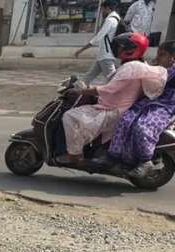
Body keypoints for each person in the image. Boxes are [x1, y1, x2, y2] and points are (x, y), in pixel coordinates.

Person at [61, 32, 165, 165]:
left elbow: (109, 89)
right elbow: (114, 85)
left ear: (131, 49)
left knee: (70, 116)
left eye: (122, 47)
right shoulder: (137, 64)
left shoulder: (131, 67)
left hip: (111, 110)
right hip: (117, 107)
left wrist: (81, 91)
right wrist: (88, 87)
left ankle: (75, 155)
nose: (118, 49)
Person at [109, 41, 175, 176]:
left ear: (173, 57)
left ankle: (146, 162)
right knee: (124, 119)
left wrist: (144, 67)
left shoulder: (170, 70)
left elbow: (158, 78)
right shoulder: (160, 67)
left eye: (162, 55)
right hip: (148, 102)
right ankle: (115, 157)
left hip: (165, 107)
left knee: (143, 128)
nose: (158, 58)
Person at [75, 0, 122, 85]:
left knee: (113, 81)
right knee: (88, 77)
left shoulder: (110, 20)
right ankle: (77, 93)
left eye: (102, 10)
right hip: (103, 56)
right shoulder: (116, 18)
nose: (101, 13)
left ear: (107, 8)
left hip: (106, 56)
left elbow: (97, 37)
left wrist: (81, 50)